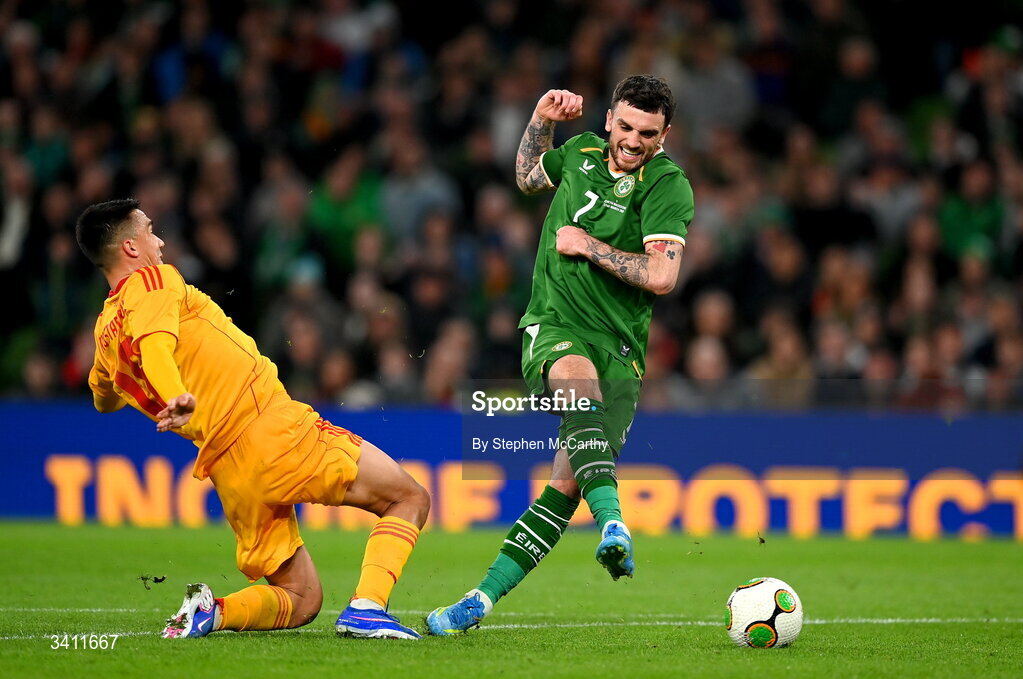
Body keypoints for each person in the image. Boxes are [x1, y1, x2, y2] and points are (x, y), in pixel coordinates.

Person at [76, 199, 430, 640]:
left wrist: (153, 389)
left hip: (228, 469)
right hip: (267, 427)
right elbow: (155, 346)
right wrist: (176, 396)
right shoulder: (152, 280)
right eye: (149, 231)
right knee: (408, 498)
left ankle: (213, 611)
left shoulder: (105, 331)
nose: (160, 240)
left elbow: (103, 398)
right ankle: (367, 607)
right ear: (130, 247)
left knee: (301, 599)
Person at [427, 75, 693, 634]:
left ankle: (479, 601)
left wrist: (588, 246)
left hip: (621, 348)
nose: (632, 140)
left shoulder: (668, 186)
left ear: (664, 135)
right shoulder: (579, 151)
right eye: (625, 126)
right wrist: (541, 119)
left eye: (647, 132)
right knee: (577, 388)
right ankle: (615, 525)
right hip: (555, 323)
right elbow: (526, 176)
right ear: (609, 120)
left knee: (567, 484)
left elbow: (663, 276)